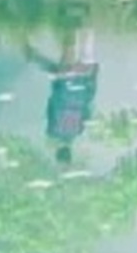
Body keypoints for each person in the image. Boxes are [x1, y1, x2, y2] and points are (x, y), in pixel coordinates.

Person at [31, 30, 99, 166]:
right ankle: (69, 27)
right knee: (68, 51)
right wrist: (56, 82)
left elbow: (87, 105)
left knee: (86, 46)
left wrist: (92, 78)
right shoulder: (52, 130)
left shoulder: (79, 130)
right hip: (64, 83)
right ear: (58, 150)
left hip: (83, 82)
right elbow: (51, 105)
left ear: (70, 151)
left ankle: (85, 25)